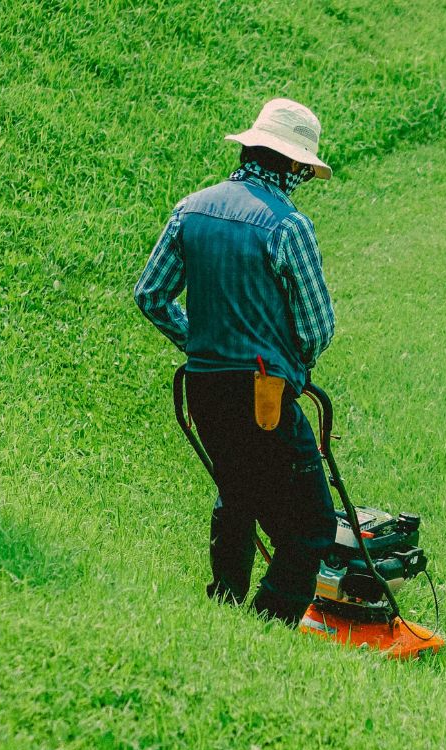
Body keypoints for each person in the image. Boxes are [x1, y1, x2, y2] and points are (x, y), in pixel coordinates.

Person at [135, 98, 338, 627]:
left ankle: (224, 603)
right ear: (293, 165)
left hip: (201, 387)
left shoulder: (191, 208)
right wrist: (295, 364)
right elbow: (318, 327)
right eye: (305, 172)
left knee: (237, 492)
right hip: (264, 393)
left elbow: (151, 295)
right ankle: (267, 622)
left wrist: (199, 343)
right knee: (313, 524)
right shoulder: (289, 227)